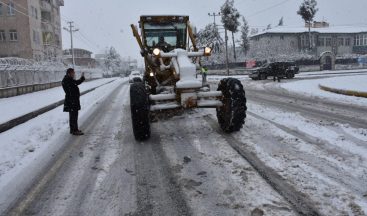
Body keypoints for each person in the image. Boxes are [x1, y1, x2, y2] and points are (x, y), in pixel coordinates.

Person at [62, 68, 85, 136]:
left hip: (73, 101)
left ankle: (74, 129)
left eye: (74, 72)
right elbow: (72, 88)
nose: (74, 74)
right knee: (73, 116)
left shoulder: (69, 79)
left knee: (74, 116)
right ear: (69, 73)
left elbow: (76, 83)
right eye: (73, 73)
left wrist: (82, 78)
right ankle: (74, 130)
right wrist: (74, 97)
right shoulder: (66, 80)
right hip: (71, 101)